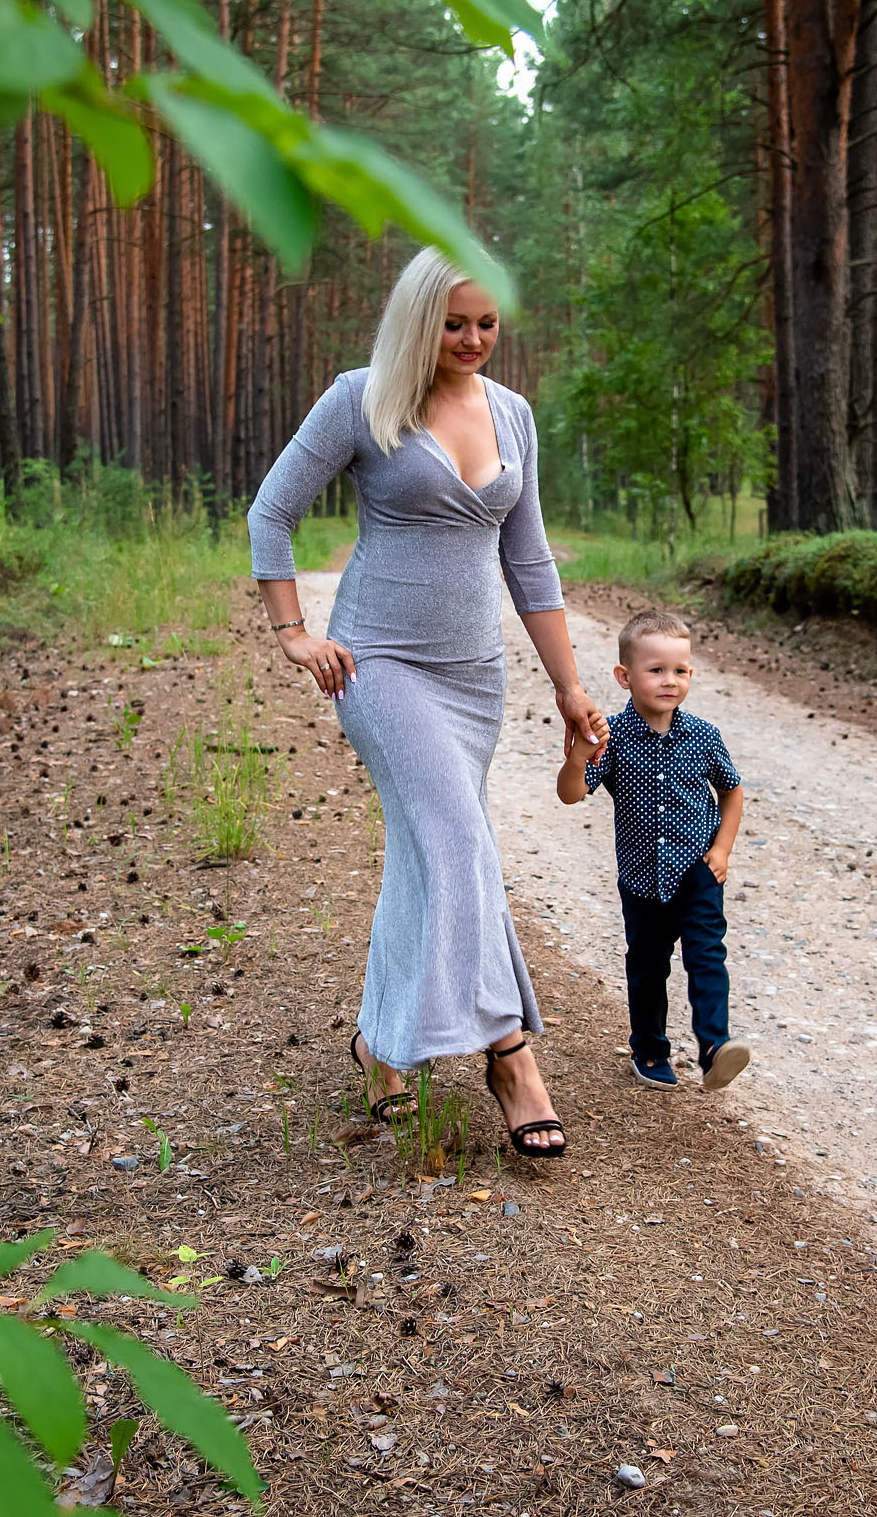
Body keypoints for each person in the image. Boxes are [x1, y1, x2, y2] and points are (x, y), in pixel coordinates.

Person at [247, 247, 607, 1159]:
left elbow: (529, 563)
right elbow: (271, 511)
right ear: (418, 319)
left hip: (472, 677)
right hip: (380, 665)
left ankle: (381, 1042)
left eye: (488, 323)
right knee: (456, 841)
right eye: (455, 324)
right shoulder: (363, 398)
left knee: (426, 853)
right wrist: (295, 632)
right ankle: (511, 1055)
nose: (475, 339)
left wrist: (569, 687)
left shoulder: (514, 415)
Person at [557, 608, 752, 1093]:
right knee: (647, 965)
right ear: (624, 677)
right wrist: (581, 751)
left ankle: (714, 1046)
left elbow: (731, 791)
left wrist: (723, 849)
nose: (671, 681)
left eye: (681, 670)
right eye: (657, 670)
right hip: (642, 877)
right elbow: (570, 792)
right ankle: (649, 1049)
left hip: (698, 870)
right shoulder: (613, 737)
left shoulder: (703, 735)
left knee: (707, 954)